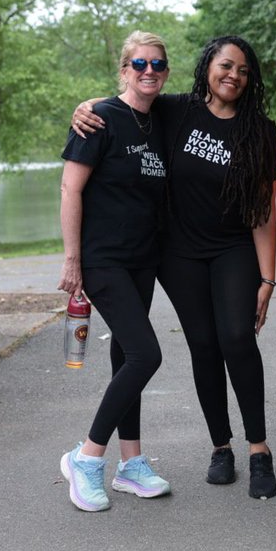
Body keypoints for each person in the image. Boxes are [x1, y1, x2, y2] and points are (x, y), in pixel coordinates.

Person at [71, 36, 276, 499]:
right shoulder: (177, 110)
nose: (234, 76)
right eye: (225, 66)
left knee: (237, 339)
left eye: (244, 70)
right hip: (177, 252)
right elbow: (127, 100)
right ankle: (221, 447)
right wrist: (83, 107)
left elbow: (264, 211)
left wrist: (267, 277)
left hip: (232, 249)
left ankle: (259, 450)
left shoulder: (260, 130)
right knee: (203, 345)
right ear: (208, 67)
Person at [57, 30, 173, 511]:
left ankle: (132, 464)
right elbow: (70, 188)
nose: (149, 72)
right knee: (147, 356)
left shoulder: (164, 118)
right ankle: (86, 458)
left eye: (158, 65)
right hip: (102, 259)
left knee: (127, 356)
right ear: (124, 69)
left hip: (143, 259)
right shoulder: (99, 118)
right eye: (140, 64)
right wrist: (72, 260)